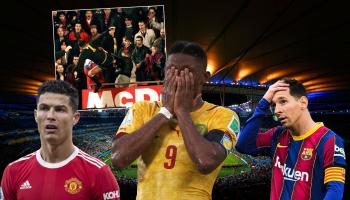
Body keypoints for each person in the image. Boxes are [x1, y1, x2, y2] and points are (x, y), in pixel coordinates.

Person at [112, 41, 239, 200]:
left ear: (204, 77)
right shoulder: (143, 109)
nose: (178, 78)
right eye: (171, 71)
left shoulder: (222, 115)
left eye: (187, 72)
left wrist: (182, 111)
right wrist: (165, 112)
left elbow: (206, 161)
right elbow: (118, 158)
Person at [1, 80, 120, 200]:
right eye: (44, 108)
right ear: (36, 115)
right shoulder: (13, 171)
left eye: (60, 109)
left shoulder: (98, 173)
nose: (50, 116)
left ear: (75, 118)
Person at [235, 78, 346, 200]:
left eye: (283, 101)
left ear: (303, 103)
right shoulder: (277, 134)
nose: (277, 110)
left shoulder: (329, 140)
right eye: (273, 105)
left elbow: (335, 190)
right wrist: (263, 103)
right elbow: (242, 145)